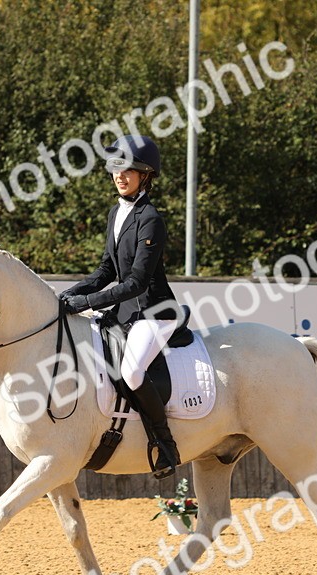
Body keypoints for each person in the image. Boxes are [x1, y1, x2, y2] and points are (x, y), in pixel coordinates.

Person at [60, 135, 181, 479]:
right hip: (125, 313)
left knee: (131, 372)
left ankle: (165, 443)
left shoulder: (150, 218)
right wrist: (66, 295)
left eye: (130, 170)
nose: (121, 175)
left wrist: (85, 303)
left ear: (146, 176)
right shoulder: (117, 212)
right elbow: (106, 272)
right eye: (117, 168)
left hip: (154, 312)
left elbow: (137, 282)